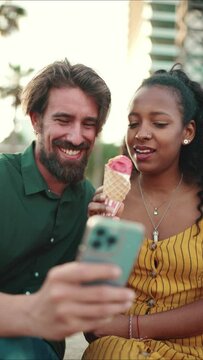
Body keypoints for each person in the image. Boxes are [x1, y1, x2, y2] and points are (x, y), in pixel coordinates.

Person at [0, 59, 135, 360]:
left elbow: (93, 313)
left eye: (89, 124)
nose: (76, 137)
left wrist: (103, 241)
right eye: (63, 120)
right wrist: (30, 313)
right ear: (36, 120)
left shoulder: (92, 204)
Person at [83, 64, 203, 359]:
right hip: (117, 350)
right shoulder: (111, 200)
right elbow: (92, 325)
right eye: (133, 123)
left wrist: (131, 325)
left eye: (159, 124)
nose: (141, 134)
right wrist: (97, 237)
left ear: (187, 131)